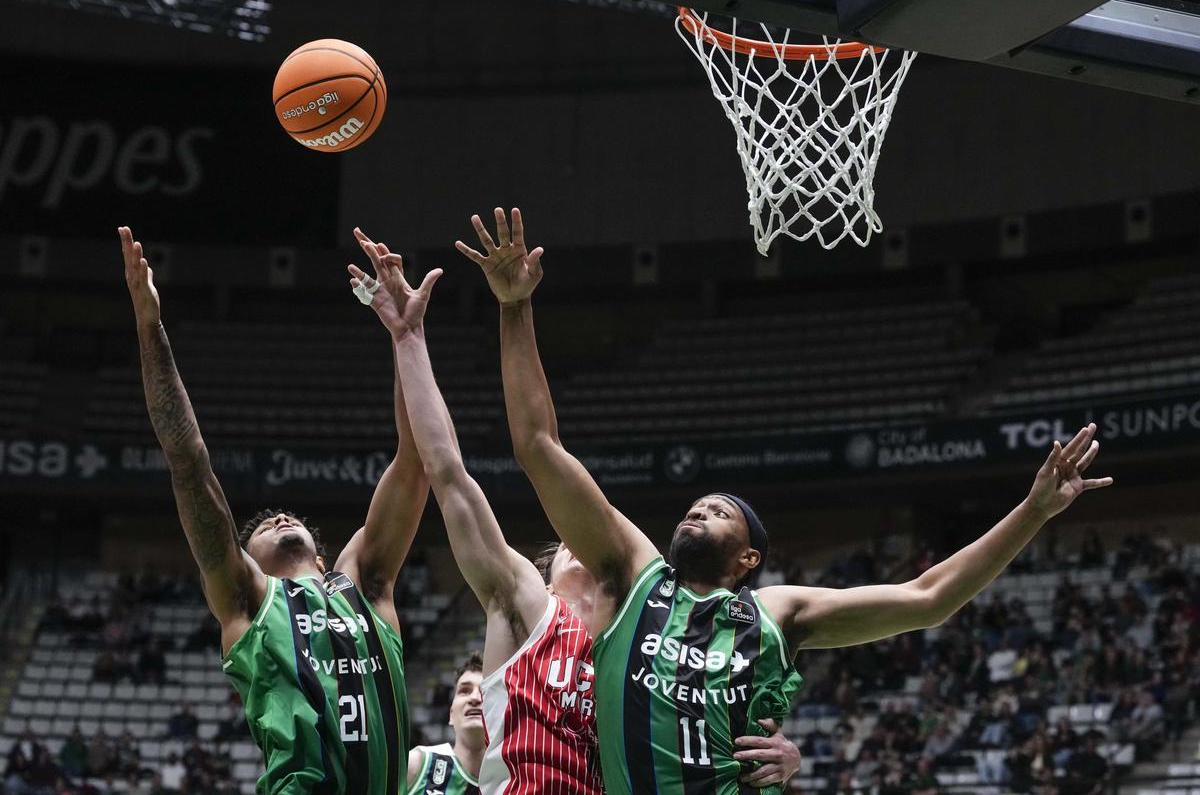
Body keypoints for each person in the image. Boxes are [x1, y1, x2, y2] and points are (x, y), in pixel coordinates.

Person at [457, 206, 1115, 795]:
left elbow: (928, 599)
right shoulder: (631, 576)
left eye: (718, 512)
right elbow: (540, 447)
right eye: (695, 506)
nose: (697, 510)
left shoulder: (777, 613)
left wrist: (1032, 512)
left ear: (747, 559)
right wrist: (516, 308)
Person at [350, 230, 801, 794]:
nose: (578, 547)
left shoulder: (650, 644)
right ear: (549, 573)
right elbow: (448, 474)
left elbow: (730, 724)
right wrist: (409, 337)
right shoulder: (526, 604)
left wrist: (782, 755)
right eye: (564, 547)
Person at [118, 226, 429, 794]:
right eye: (261, 526)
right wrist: (150, 330)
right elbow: (188, 462)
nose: (279, 520)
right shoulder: (248, 598)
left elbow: (416, 461)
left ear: (322, 547)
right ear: (248, 558)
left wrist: (406, 336)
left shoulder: (367, 581)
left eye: (288, 520)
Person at [406, 653, 486, 795]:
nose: (474, 698)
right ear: (451, 714)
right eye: (464, 691)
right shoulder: (417, 765)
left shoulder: (513, 780)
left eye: (484, 691)